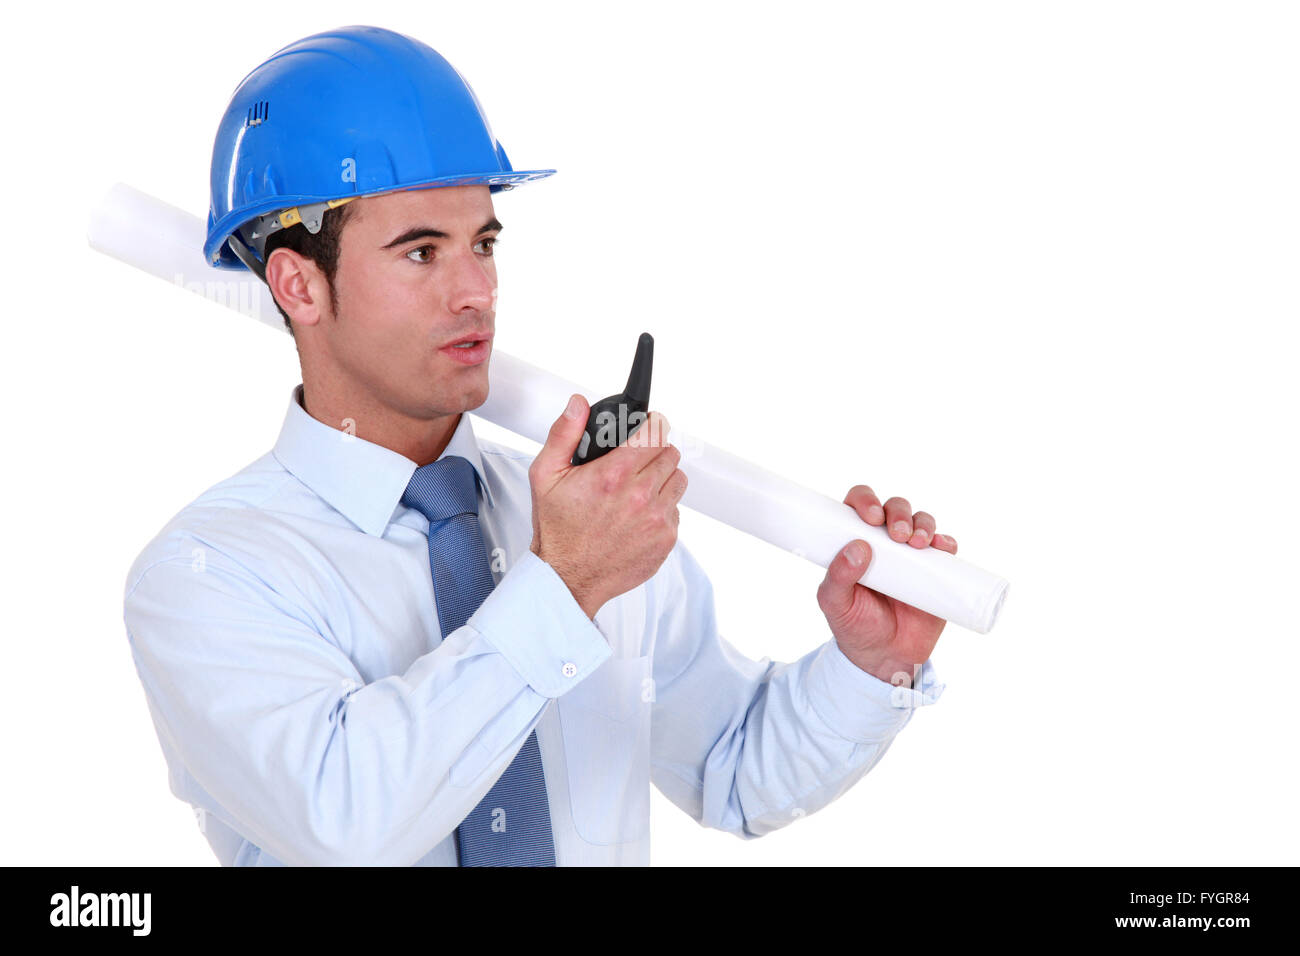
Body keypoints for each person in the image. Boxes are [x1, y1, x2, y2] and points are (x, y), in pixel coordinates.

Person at [122, 24, 957, 867]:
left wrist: (870, 664)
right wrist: (562, 587)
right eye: (421, 251)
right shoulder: (209, 573)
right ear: (299, 283)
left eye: (483, 244)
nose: (477, 292)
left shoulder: (584, 518)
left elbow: (731, 768)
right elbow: (346, 819)